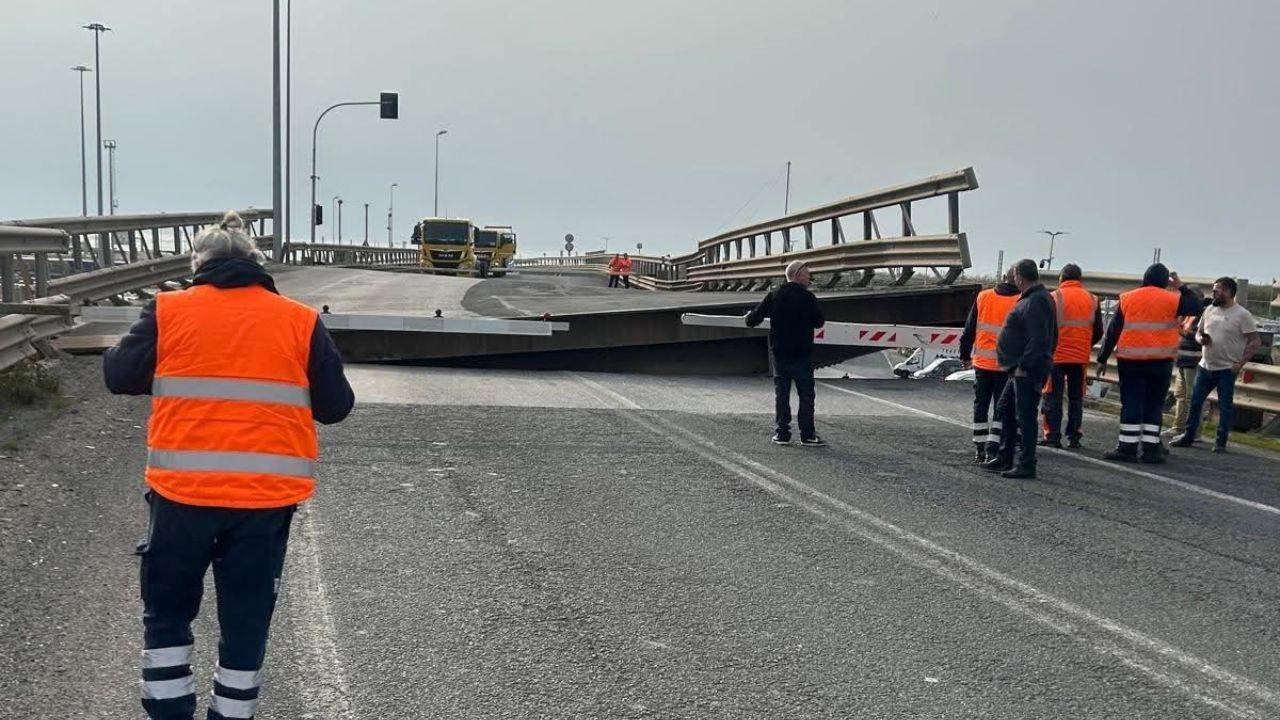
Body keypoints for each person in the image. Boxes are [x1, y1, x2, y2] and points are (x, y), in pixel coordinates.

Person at [103, 211, 355, 720]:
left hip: (182, 495)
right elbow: (336, 406)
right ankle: (232, 713)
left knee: (168, 612)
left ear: (199, 265)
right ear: (257, 264)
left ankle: (170, 712)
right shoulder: (300, 320)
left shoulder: (169, 310)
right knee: (246, 618)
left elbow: (119, 375)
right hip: (264, 501)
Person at [1096, 263, 1200, 463]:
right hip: (1161, 362)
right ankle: (1151, 450)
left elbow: (1113, 331)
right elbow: (1195, 306)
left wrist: (1102, 358)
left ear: (1144, 278)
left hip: (1131, 362)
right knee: (1154, 405)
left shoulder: (1128, 298)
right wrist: (1181, 286)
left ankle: (1127, 448)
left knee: (1132, 404)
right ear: (1165, 281)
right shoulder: (1173, 298)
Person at [980, 259, 1058, 479]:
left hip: (1026, 371)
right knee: (1005, 409)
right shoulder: (1033, 298)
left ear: (1020, 278)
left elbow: (1040, 339)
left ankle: (1026, 463)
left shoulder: (1037, 301)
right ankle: (1005, 455)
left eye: (1014, 276)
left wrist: (1024, 365)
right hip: (1017, 370)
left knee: (1025, 416)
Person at [1170, 277, 1261, 453]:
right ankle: (1189, 436)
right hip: (1206, 365)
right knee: (1195, 403)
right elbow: (1198, 332)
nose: (1213, 294)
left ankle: (1221, 441)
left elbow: (1255, 342)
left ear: (1227, 292)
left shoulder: (1242, 315)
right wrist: (1201, 339)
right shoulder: (1210, 309)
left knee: (1225, 405)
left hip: (1227, 368)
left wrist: (1240, 363)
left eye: (1216, 291)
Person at [746, 260, 826, 446]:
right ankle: (808, 435)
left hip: (780, 353)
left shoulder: (774, 295)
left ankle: (782, 434)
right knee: (806, 394)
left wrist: (749, 316)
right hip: (802, 353)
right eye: (806, 274)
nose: (809, 277)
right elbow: (819, 322)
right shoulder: (808, 297)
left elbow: (753, 320)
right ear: (797, 275)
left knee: (782, 393)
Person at [958, 267, 1020, 463]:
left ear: (1002, 278)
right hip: (1006, 365)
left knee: (981, 404)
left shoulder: (983, 297)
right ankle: (995, 447)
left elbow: (969, 329)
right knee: (1002, 408)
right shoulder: (1021, 300)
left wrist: (965, 355)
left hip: (982, 363)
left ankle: (979, 446)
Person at [1038, 264, 1102, 449]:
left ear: (1061, 279)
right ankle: (1074, 436)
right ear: (1080, 279)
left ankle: (1052, 436)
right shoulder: (1092, 299)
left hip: (1056, 355)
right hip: (1080, 356)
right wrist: (1084, 345)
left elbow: (1045, 328)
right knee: (1076, 398)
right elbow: (1098, 330)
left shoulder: (1054, 297)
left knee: (1053, 396)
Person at [1167, 272, 1206, 438]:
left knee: (1191, 397)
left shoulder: (1201, 314)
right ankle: (1179, 427)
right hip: (1182, 360)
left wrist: (1179, 329)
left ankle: (1194, 431)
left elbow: (1198, 336)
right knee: (1180, 396)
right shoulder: (1187, 314)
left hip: (1193, 361)